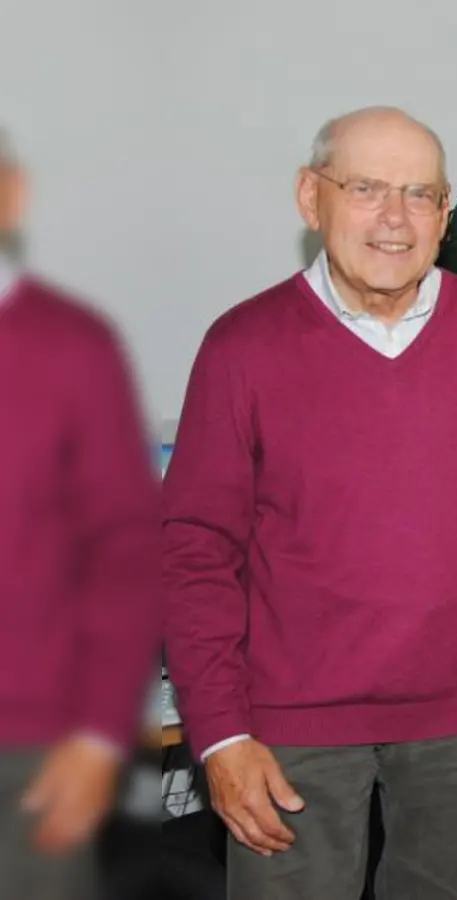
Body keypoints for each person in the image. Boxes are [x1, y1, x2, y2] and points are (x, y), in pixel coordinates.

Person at [162, 106, 457, 900]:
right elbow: (196, 552)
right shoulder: (241, 348)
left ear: (444, 213)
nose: (395, 218)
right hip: (288, 728)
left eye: (419, 194)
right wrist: (219, 731)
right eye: (365, 188)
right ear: (309, 197)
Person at [0, 127, 162, 900]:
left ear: (12, 196)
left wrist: (100, 735)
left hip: (29, 753)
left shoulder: (74, 347)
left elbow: (126, 554)